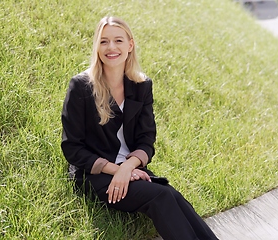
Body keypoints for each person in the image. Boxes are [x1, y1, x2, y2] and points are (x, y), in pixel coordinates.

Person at [61, 16, 218, 240]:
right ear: (97, 46)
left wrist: (129, 167)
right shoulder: (81, 86)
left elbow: (147, 139)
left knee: (173, 195)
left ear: (130, 45)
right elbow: (72, 148)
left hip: (130, 169)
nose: (111, 47)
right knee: (160, 196)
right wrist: (119, 171)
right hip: (95, 174)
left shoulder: (141, 86)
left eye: (118, 40)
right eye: (104, 41)